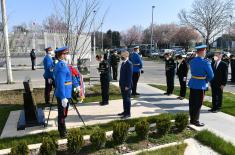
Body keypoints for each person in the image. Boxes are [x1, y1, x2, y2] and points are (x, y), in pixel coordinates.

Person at [188, 44, 214, 127]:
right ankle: (196, 121)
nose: (205, 52)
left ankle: (192, 119)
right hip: (200, 85)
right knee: (198, 103)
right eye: (205, 50)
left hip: (193, 83)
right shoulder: (205, 62)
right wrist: (205, 81)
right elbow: (211, 75)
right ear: (202, 51)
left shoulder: (192, 61)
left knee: (192, 102)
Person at [54, 46, 72, 138]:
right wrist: (63, 97)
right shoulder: (61, 66)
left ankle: (62, 129)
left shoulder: (62, 64)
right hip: (63, 94)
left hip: (65, 93)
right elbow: (60, 83)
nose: (67, 55)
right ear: (61, 55)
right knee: (62, 114)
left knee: (63, 114)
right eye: (66, 53)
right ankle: (62, 132)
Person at [118, 51, 133, 119]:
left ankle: (128, 113)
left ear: (126, 55)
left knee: (127, 99)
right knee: (124, 99)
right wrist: (120, 83)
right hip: (122, 84)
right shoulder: (123, 63)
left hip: (127, 85)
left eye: (123, 55)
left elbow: (129, 76)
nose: (121, 56)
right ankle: (125, 111)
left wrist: (128, 86)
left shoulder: (129, 64)